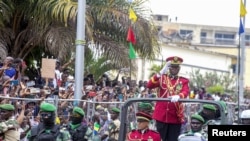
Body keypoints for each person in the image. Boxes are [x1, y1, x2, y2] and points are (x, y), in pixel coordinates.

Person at [147, 56, 190, 141]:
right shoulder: (162, 77)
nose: (174, 68)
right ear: (169, 68)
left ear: (179, 68)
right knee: (160, 139)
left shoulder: (183, 80)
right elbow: (149, 85)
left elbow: (185, 92)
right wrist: (160, 72)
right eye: (172, 66)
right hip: (161, 116)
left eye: (176, 67)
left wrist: (179, 96)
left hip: (175, 116)